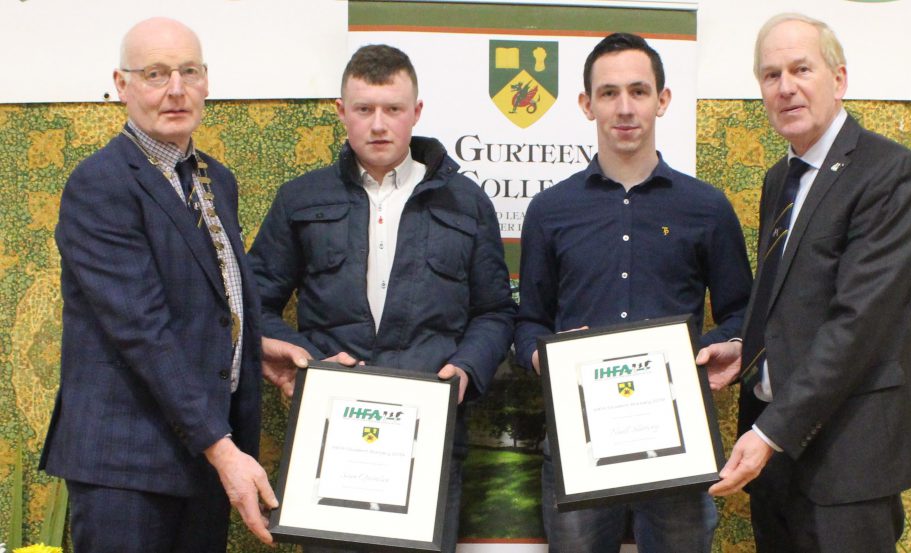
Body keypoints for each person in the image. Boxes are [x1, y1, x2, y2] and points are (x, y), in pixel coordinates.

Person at [38, 17, 307, 552]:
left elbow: (200, 306)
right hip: (127, 467)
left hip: (199, 458)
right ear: (122, 84)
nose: (176, 90)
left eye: (189, 71)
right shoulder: (101, 184)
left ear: (207, 81)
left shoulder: (215, 180)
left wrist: (250, 350)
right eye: (156, 74)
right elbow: (142, 330)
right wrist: (223, 449)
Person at [248, 44, 516, 553]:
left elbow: (495, 311)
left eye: (393, 109)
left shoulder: (467, 202)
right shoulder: (300, 200)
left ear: (416, 112)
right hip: (329, 439)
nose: (378, 124)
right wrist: (305, 359)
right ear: (341, 111)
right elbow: (253, 305)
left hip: (429, 438)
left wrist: (465, 369)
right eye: (364, 109)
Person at [697, 13, 911, 552]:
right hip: (777, 467)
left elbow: (859, 324)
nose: (786, 87)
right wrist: (745, 353)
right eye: (771, 75)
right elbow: (785, 300)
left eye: (801, 69)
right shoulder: (780, 179)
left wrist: (769, 433)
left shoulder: (888, 172)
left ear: (839, 78)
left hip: (847, 464)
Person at [514, 33, 752, 553]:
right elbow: (528, 321)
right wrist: (543, 358)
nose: (625, 108)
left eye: (639, 91)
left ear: (662, 100)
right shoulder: (550, 211)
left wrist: (724, 343)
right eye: (609, 93)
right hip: (579, 438)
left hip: (678, 440)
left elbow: (743, 313)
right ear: (586, 104)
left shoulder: (705, 207)